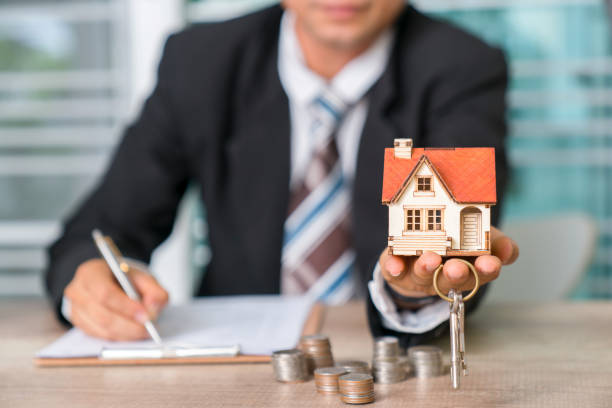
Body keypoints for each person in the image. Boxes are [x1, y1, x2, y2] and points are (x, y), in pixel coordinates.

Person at [46, 0, 518, 346]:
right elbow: (97, 232)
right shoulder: (201, 61)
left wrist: (417, 289)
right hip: (235, 358)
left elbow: (457, 240)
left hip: (389, 358)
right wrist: (90, 280)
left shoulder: (463, 65)